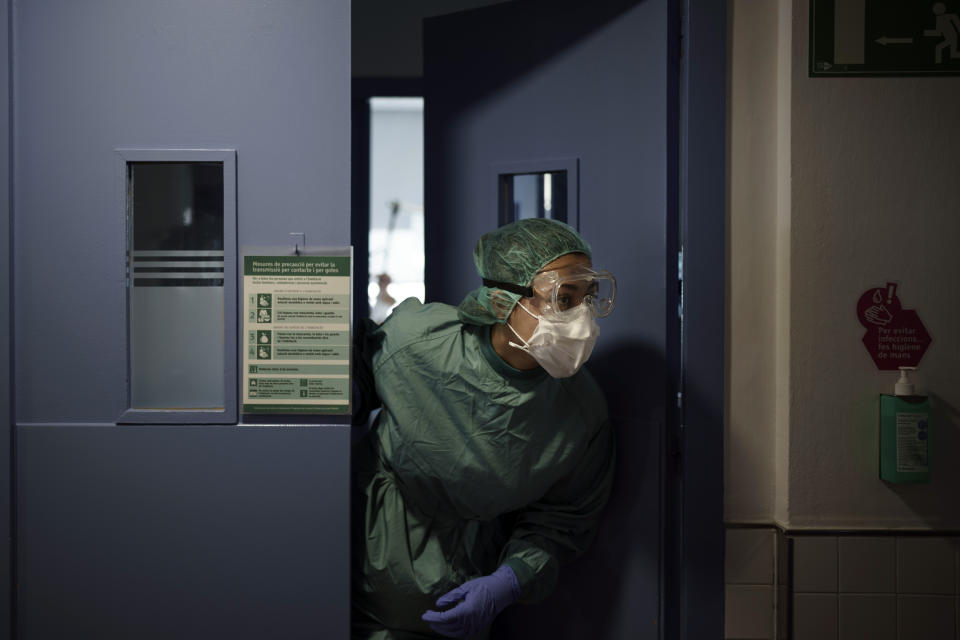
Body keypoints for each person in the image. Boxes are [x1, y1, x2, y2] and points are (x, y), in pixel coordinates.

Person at [352, 218, 616, 639]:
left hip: (465, 587)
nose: (581, 320)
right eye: (564, 299)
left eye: (589, 298)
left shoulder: (581, 412)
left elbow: (561, 519)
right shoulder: (419, 342)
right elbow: (351, 387)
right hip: (359, 570)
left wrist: (510, 580)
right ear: (504, 298)